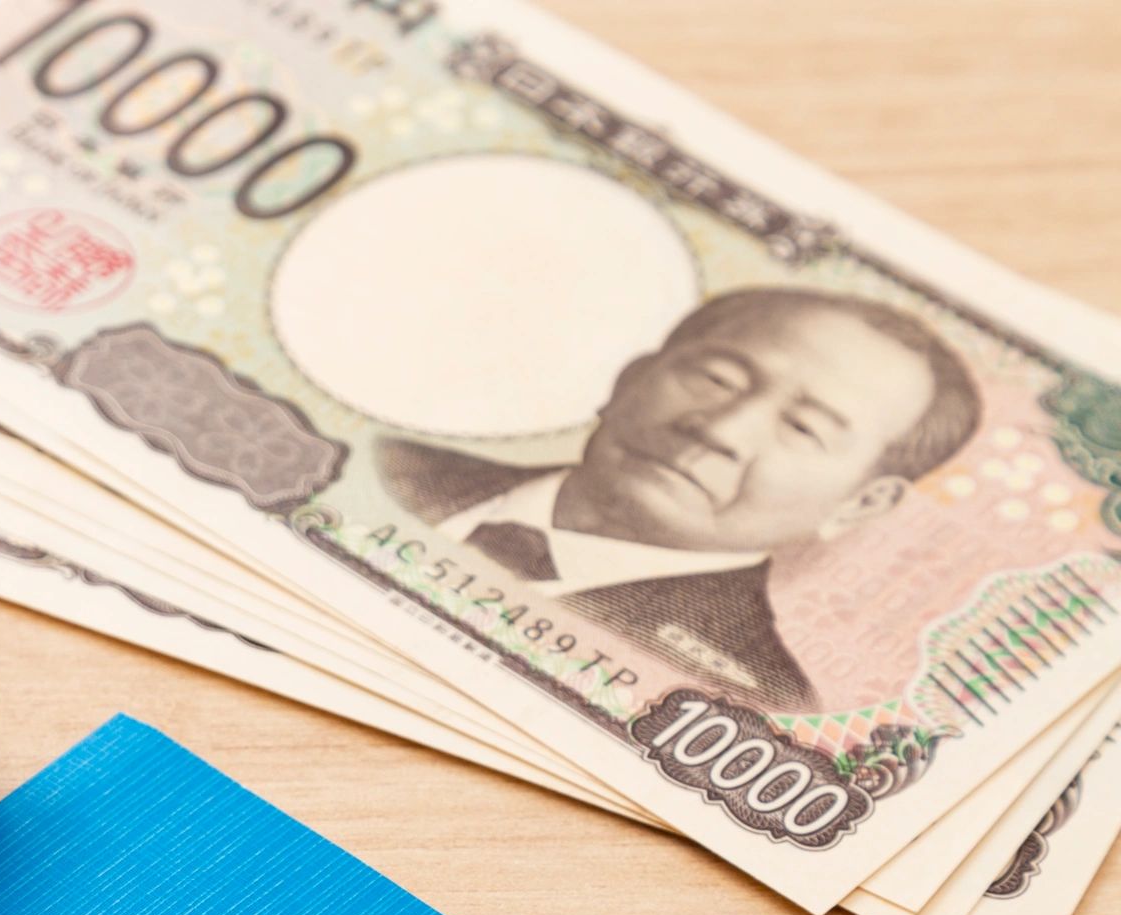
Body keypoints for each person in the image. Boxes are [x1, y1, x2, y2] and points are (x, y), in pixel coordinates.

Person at [376, 287, 982, 712]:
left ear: (860, 505)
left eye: (804, 429)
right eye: (717, 378)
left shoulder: (756, 699)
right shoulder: (384, 468)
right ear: (631, 378)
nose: (720, 429)